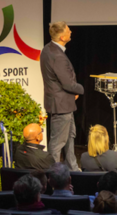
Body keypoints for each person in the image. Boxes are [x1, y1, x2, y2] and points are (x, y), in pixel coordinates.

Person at [41, 21, 84, 170]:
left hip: (63, 103)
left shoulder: (48, 49)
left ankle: (73, 169)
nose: (71, 32)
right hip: (61, 105)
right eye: (68, 30)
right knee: (57, 142)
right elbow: (67, 84)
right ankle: (52, 175)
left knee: (69, 137)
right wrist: (80, 89)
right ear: (62, 37)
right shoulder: (57, 56)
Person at [80, 125, 117, 190]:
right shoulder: (116, 156)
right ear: (106, 139)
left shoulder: (84, 157)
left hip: (92, 197)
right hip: (111, 197)